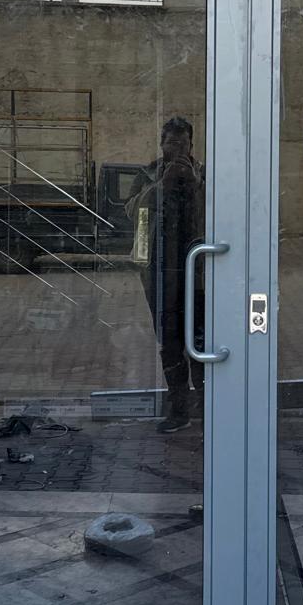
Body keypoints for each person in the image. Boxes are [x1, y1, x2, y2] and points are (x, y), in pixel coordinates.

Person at [125, 116, 205, 433]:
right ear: (161, 144)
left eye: (183, 143)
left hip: (199, 273)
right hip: (159, 272)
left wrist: (195, 184)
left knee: (201, 341)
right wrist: (162, 185)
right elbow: (131, 211)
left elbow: (219, 211)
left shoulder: (203, 174)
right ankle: (179, 409)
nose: (177, 149)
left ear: (191, 146)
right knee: (170, 343)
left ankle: (208, 407)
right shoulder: (148, 174)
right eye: (171, 143)